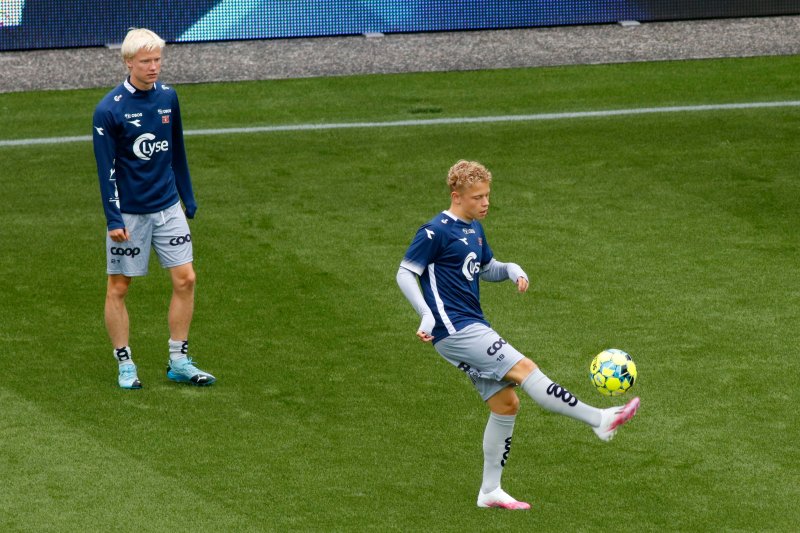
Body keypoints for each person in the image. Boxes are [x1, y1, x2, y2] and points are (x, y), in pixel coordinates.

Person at [397, 160, 639, 510]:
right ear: (457, 196)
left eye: (487, 196)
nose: (485, 203)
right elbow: (406, 273)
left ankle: (489, 491)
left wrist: (510, 270)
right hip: (456, 328)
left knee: (505, 404)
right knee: (525, 369)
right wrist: (425, 314)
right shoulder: (434, 232)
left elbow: (483, 269)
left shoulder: (474, 230)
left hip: (468, 325)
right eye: (477, 197)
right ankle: (599, 419)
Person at [92, 28, 215, 389]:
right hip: (129, 215)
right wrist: (114, 218)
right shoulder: (109, 110)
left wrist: (186, 197)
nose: (154, 67)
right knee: (119, 287)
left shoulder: (168, 98)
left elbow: (177, 150)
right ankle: (125, 362)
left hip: (167, 207)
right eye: (146, 61)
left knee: (186, 278)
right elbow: (107, 170)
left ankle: (178, 359)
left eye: (158, 59)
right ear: (128, 62)